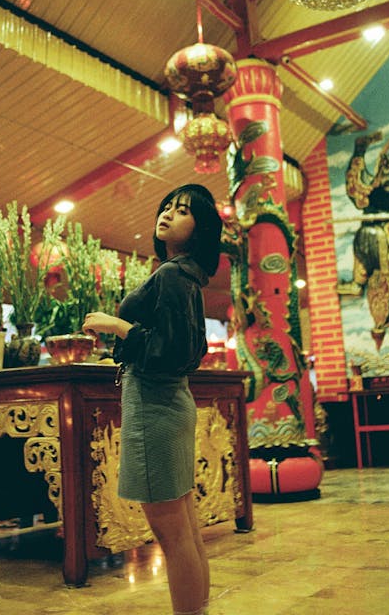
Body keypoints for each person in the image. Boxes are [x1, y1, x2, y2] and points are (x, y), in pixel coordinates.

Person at [83, 183, 222, 615]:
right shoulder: (188, 277)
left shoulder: (171, 275)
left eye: (182, 211)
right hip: (172, 402)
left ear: (199, 229)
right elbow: (189, 351)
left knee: (172, 533)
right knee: (185, 527)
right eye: (166, 207)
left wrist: (116, 325)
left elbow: (171, 351)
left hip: (154, 405)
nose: (167, 214)